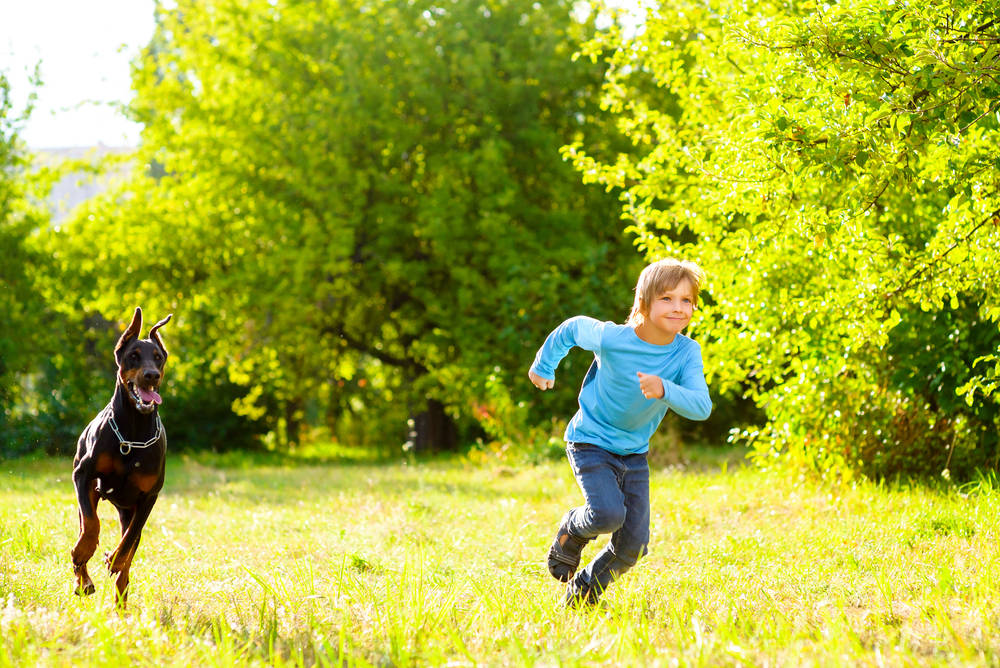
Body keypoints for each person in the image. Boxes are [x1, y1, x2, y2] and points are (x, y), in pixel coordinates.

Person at [528, 258, 712, 606]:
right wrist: (543, 365)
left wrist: (665, 390)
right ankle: (572, 529)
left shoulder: (687, 353)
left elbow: (701, 407)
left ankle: (584, 590)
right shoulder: (613, 338)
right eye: (667, 298)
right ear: (643, 302)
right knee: (607, 513)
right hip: (590, 441)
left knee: (634, 546)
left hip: (634, 452)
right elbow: (573, 328)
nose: (678, 308)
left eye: (687, 300)